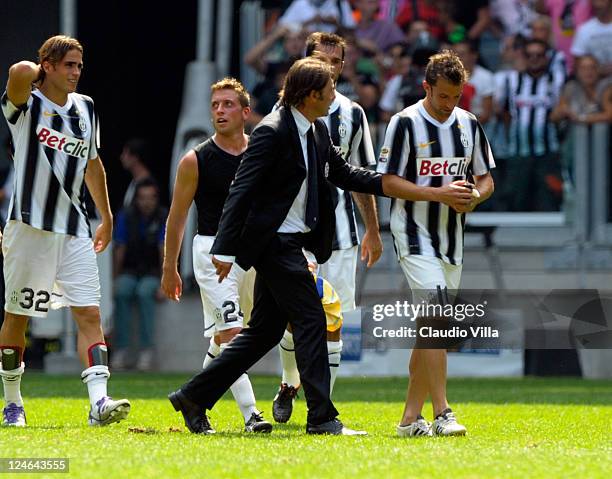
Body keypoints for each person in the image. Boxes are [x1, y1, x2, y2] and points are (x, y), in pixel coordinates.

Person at [167, 57, 476, 435]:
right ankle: (322, 418)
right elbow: (240, 191)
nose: (335, 96)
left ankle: (193, 396)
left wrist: (393, 183)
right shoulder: (272, 131)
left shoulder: (316, 131)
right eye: (330, 90)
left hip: (294, 241)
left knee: (263, 332)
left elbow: (346, 174)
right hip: (274, 244)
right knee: (312, 318)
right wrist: (226, 250)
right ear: (311, 94)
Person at [0, 35, 130, 427]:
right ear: (50, 67)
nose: (76, 72)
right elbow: (19, 72)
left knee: (90, 312)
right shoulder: (26, 105)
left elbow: (93, 164)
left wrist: (105, 215)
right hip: (28, 227)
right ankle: (12, 401)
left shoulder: (86, 108)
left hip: (74, 228)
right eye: (68, 65)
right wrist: (43, 68)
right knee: (17, 317)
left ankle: (99, 401)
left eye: (79, 65)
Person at [377, 50, 495, 437]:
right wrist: (440, 194)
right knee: (435, 323)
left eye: (455, 97)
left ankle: (410, 419)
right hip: (412, 233)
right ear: (426, 87)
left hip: (451, 240)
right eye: (442, 96)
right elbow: (388, 182)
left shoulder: (469, 124)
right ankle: (443, 411)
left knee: (431, 327)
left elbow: (485, 178)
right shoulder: (404, 123)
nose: (448, 105)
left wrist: (473, 197)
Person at [271, 32, 383, 423]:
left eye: (336, 62)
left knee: (334, 321)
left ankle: (322, 414)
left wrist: (372, 229)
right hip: (297, 233)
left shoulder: (353, 114)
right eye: (323, 60)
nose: (331, 68)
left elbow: (358, 176)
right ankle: (289, 382)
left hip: (342, 235)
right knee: (294, 318)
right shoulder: (284, 112)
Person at [161, 78, 271, 434]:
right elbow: (177, 216)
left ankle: (193, 401)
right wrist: (170, 267)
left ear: (245, 112)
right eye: (215, 106)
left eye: (227, 104)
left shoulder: (261, 152)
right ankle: (252, 415)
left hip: (253, 254)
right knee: (234, 334)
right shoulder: (195, 159)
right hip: (211, 252)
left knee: (223, 340)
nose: (220, 111)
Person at [498, 38, 565, 211]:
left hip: (548, 152)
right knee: (515, 199)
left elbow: (561, 110)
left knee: (549, 199)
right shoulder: (511, 80)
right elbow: (504, 112)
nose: (534, 59)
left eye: (539, 55)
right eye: (529, 55)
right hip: (518, 151)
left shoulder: (556, 81)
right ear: (524, 57)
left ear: (546, 58)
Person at [112, 178, 166, 371]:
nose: (146, 202)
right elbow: (120, 248)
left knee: (144, 293)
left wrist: (164, 281)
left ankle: (146, 350)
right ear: (136, 199)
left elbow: (164, 250)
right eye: (142, 198)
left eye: (150, 198)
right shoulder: (126, 216)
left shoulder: (162, 216)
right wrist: (114, 278)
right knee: (121, 291)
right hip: (130, 270)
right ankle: (122, 349)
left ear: (156, 199)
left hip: (152, 272)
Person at [571, 0, 612, 76]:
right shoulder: (585, 30)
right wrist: (597, 71)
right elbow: (577, 62)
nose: (597, 4)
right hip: (595, 81)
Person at [119, 138, 154, 208]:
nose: (121, 157)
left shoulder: (149, 184)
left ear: (135, 157)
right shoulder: (134, 182)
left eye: (125, 153)